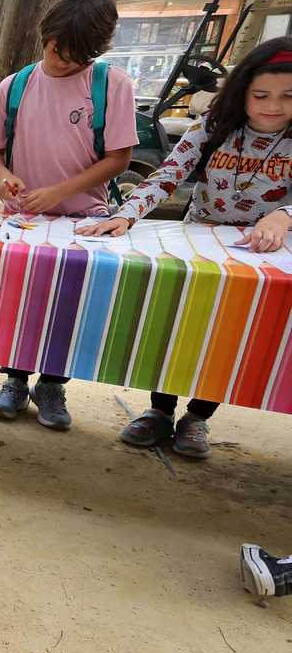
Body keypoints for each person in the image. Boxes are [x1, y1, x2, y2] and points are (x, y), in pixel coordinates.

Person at [78, 36, 292, 458]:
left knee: (230, 333)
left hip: (263, 254)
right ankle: (160, 410)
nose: (274, 105)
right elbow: (168, 175)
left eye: (288, 96)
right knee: (180, 325)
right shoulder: (215, 124)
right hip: (200, 242)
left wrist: (284, 214)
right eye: (261, 95)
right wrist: (126, 214)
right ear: (241, 93)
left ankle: (198, 417)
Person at [0, 0, 138, 432]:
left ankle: (52, 384)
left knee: (70, 305)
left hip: (84, 222)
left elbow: (118, 158)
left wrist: (59, 191)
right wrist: (0, 178)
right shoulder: (15, 85)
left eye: (73, 56)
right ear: (43, 35)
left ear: (97, 50)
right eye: (54, 49)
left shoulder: (112, 84)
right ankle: (13, 379)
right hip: (23, 221)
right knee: (20, 301)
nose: (60, 61)